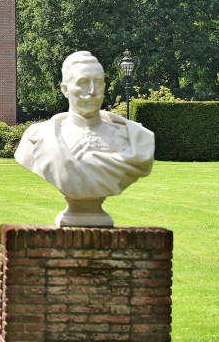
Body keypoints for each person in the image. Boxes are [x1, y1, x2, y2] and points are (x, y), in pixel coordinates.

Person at [14, 51, 155, 227]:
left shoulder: (136, 138)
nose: (92, 91)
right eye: (83, 83)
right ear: (65, 89)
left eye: (98, 83)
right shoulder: (37, 137)